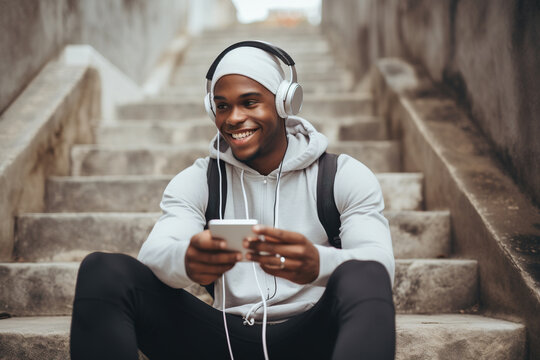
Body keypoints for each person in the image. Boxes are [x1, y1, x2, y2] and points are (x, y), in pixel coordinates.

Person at [70, 42, 396, 360]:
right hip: (222, 336)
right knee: (102, 271)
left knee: (365, 274)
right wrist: (187, 260)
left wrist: (318, 264)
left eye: (250, 102)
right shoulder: (200, 179)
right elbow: (153, 255)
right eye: (222, 106)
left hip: (313, 333)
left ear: (285, 103)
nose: (233, 118)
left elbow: (379, 265)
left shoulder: (341, 175)